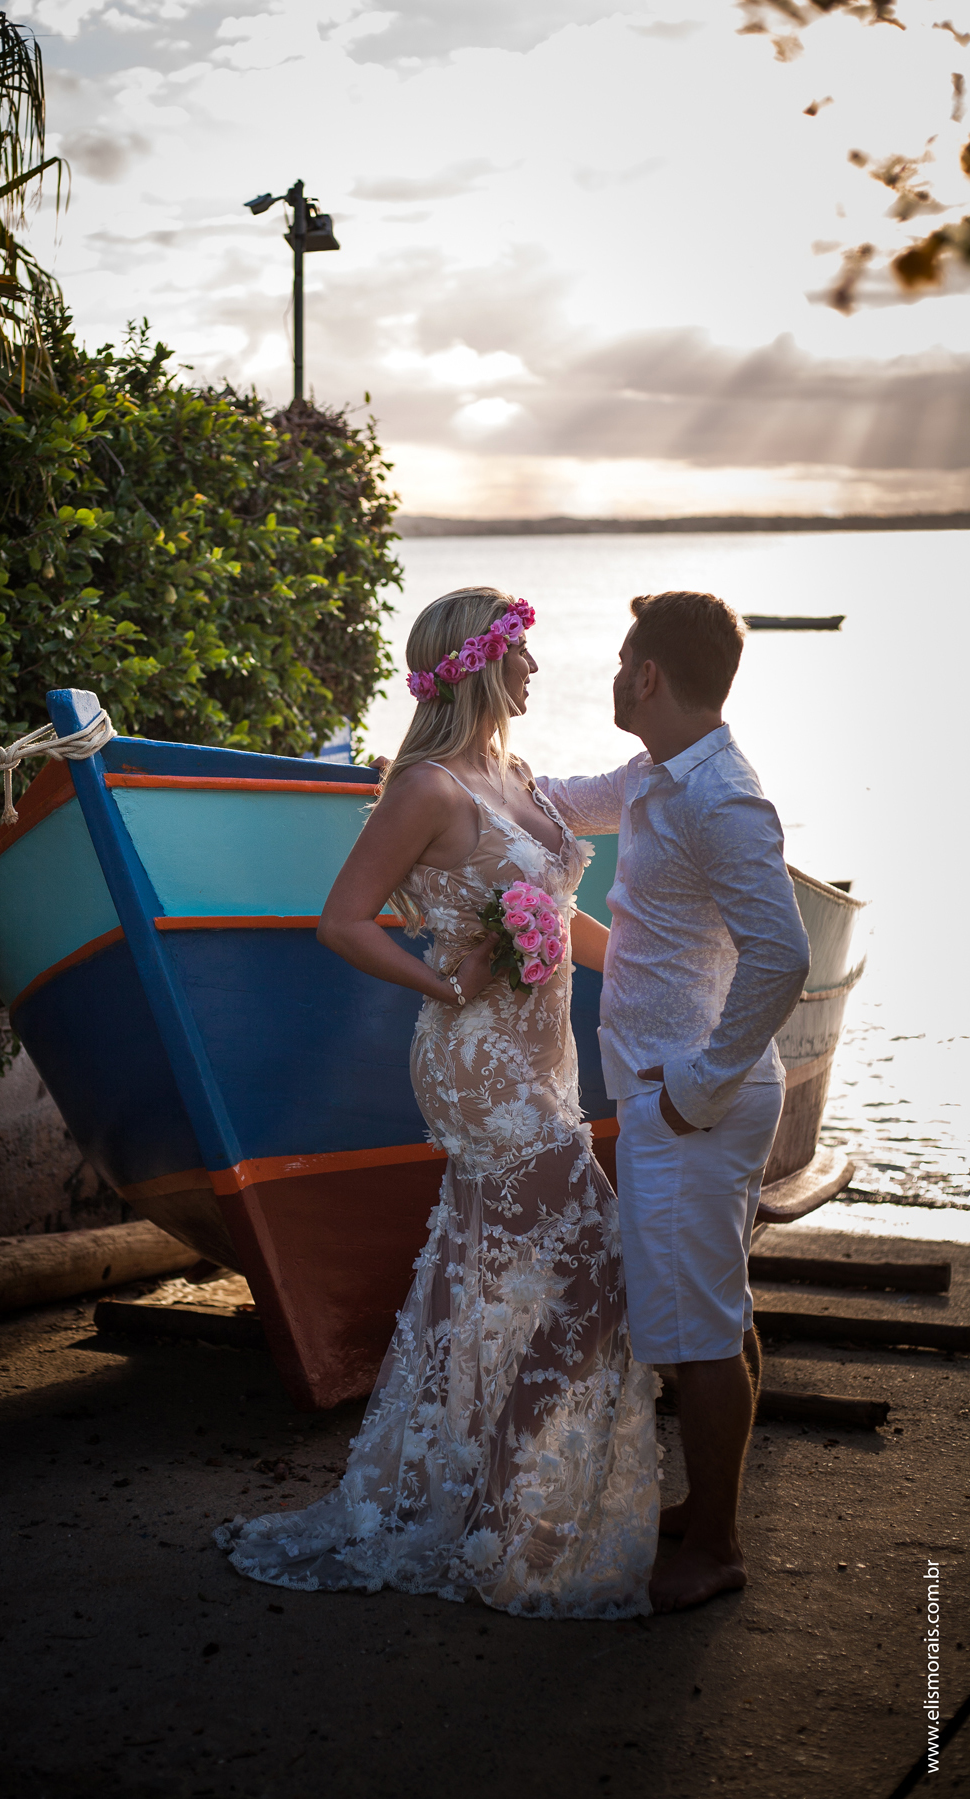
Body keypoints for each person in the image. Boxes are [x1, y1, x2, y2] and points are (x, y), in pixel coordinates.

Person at [215, 586, 661, 1619]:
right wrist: (441, 981)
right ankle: (504, 1500)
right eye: (522, 654)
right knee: (600, 1267)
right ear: (477, 665)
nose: (538, 672)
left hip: (542, 1058)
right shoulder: (425, 787)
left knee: (480, 1285)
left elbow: (565, 920)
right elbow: (343, 921)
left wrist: (672, 977)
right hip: (476, 1062)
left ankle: (456, 1496)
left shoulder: (518, 778)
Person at [538, 589, 811, 1613]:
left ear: (647, 675)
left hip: (694, 1098)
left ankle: (719, 1546)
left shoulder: (720, 799)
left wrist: (698, 1084)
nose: (613, 672)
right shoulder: (658, 774)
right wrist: (459, 772)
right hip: (677, 1094)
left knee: (695, 1334)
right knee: (712, 1314)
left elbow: (782, 955)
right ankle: (706, 1513)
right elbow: (564, 799)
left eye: (620, 658)